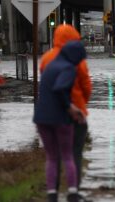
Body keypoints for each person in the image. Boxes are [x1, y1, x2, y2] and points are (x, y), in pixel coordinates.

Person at [40, 24, 92, 197]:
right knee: (73, 154)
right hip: (74, 113)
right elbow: (86, 86)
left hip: (51, 113)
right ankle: (73, 191)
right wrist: (81, 106)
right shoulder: (77, 60)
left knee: (53, 156)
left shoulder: (46, 58)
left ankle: (52, 192)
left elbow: (45, 82)